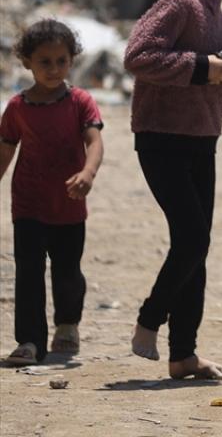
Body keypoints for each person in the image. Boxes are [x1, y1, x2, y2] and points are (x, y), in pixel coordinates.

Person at [126, 0, 222, 379]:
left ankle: (183, 354)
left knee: (197, 246)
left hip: (202, 137)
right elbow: (139, 56)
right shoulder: (179, 2)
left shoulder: (215, 11)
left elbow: (212, 78)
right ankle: (149, 320)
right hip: (161, 136)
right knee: (192, 238)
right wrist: (203, 66)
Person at [0, 20, 103, 365]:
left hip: (69, 205)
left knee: (67, 272)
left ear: (72, 60)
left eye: (61, 61)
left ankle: (68, 323)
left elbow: (94, 141)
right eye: (45, 61)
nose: (54, 69)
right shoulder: (17, 108)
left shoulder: (80, 102)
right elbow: (5, 151)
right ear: (27, 62)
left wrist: (88, 173)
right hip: (28, 203)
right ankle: (29, 341)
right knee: (29, 272)